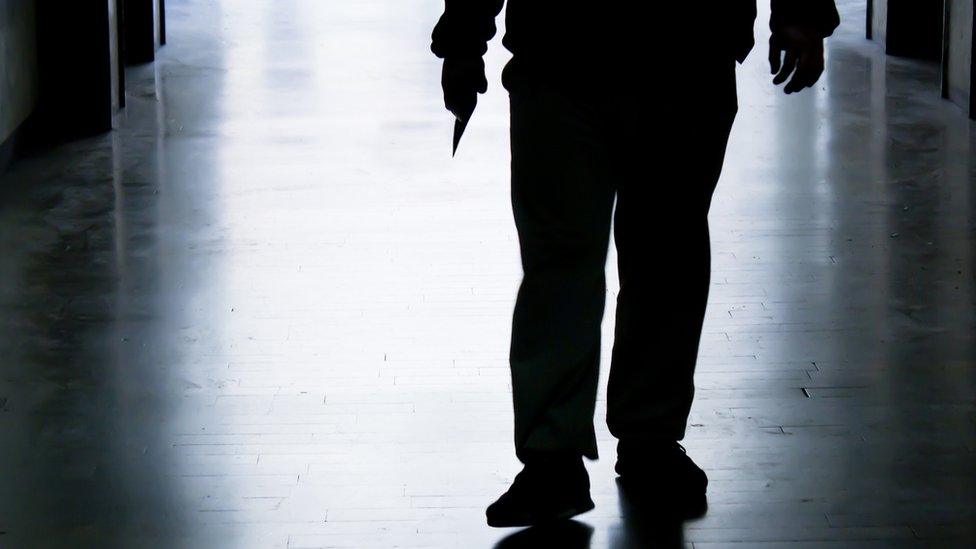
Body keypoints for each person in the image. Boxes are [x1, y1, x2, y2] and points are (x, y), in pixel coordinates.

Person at [431, 0, 840, 528]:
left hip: (598, 48)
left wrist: (465, 38)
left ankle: (573, 453)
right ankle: (632, 442)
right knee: (653, 256)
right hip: (653, 49)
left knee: (592, 262)